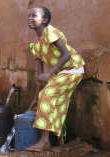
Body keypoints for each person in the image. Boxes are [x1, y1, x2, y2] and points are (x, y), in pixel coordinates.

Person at [26, 6, 85, 151]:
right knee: (55, 101)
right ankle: (61, 142)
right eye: (29, 15)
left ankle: (44, 141)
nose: (29, 18)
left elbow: (67, 54)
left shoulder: (50, 31)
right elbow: (40, 77)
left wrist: (49, 72)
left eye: (34, 15)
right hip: (62, 72)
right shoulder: (36, 46)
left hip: (73, 69)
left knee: (47, 95)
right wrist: (35, 98)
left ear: (44, 20)